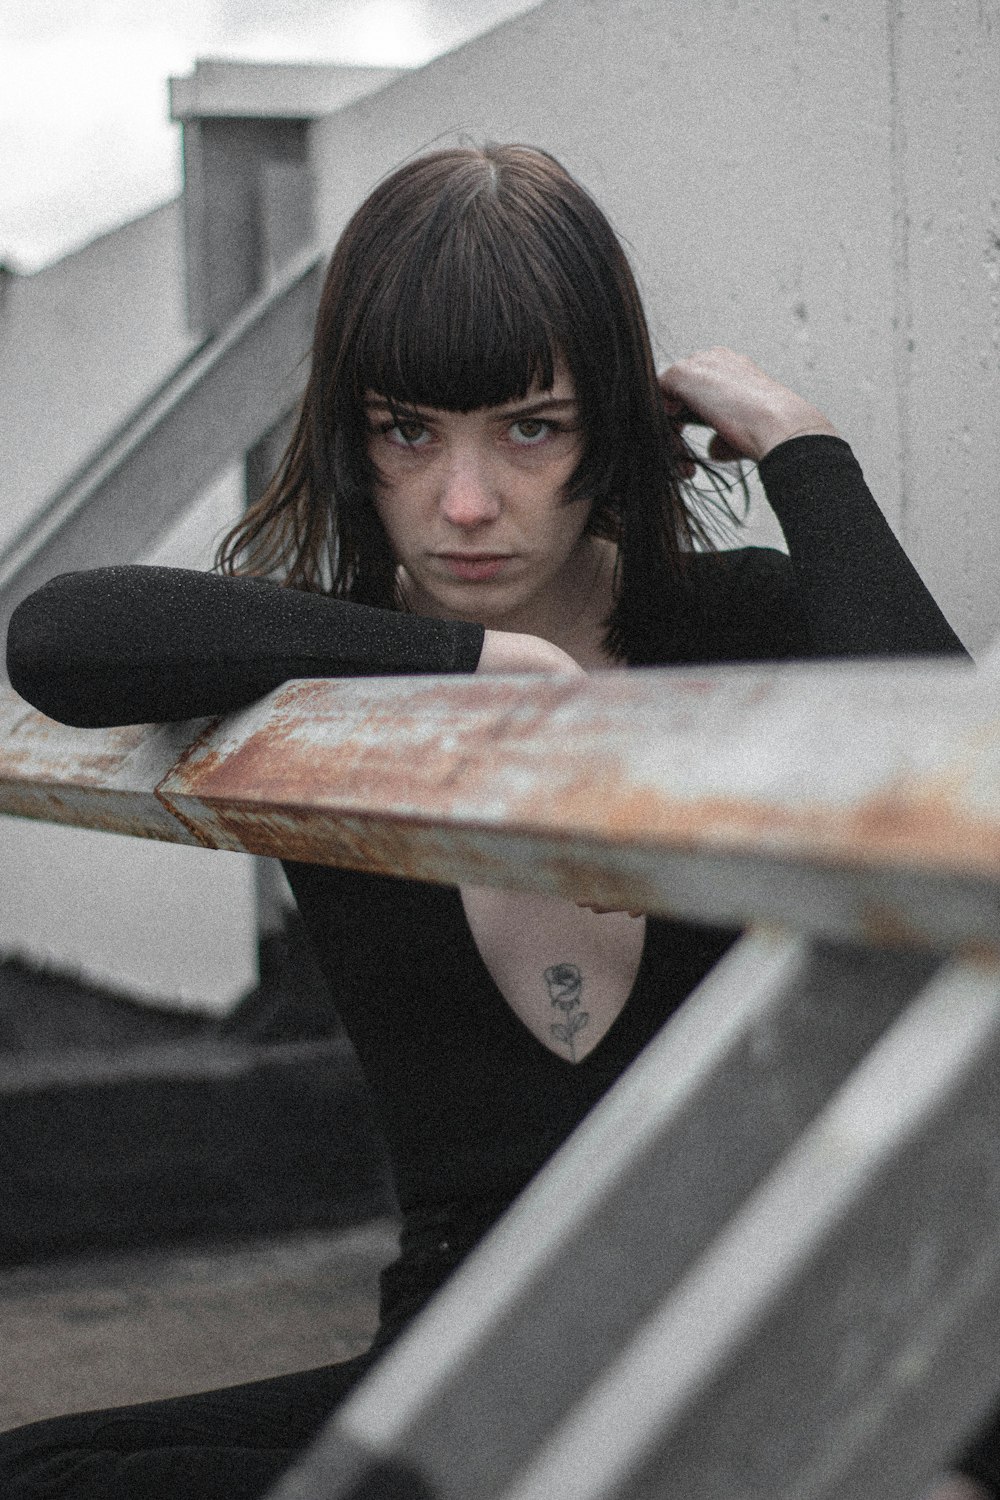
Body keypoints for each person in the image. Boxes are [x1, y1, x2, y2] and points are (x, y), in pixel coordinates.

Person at [1, 144, 992, 1500]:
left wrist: (804, 451)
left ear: (612, 435)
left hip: (768, 1318)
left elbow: (951, 767)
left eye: (534, 427)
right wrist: (491, 670)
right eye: (409, 429)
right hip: (465, 1357)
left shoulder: (732, 623)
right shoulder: (324, 662)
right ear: (353, 436)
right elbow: (60, 637)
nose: (465, 504)